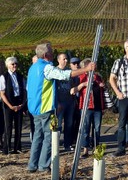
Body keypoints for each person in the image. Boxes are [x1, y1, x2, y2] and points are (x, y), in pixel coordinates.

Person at [27, 43, 94, 172]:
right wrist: (85, 70)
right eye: (51, 52)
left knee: (37, 136)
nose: (53, 53)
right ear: (46, 55)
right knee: (49, 137)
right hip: (45, 107)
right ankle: (43, 165)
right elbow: (64, 75)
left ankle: (32, 164)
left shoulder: (33, 68)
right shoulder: (46, 68)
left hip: (34, 107)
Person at [77, 59, 105, 157]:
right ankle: (85, 150)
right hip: (86, 106)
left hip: (98, 106)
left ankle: (96, 148)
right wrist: (83, 84)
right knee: (86, 128)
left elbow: (102, 91)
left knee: (97, 128)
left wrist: (102, 86)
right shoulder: (82, 77)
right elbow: (76, 90)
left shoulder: (98, 77)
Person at [0, 56, 26, 155]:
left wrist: (22, 103)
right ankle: (6, 148)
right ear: (8, 66)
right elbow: (2, 93)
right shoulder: (4, 77)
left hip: (18, 102)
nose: (15, 66)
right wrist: (10, 106)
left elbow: (24, 90)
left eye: (16, 64)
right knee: (8, 127)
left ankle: (17, 147)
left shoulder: (20, 76)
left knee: (19, 127)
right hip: (8, 104)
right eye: (12, 64)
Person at [55, 53, 76, 151]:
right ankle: (55, 145)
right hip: (60, 102)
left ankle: (67, 144)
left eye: (67, 59)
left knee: (69, 124)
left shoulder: (69, 72)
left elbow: (73, 84)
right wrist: (57, 102)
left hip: (69, 101)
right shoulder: (55, 71)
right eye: (64, 59)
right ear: (58, 60)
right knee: (58, 125)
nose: (66, 61)